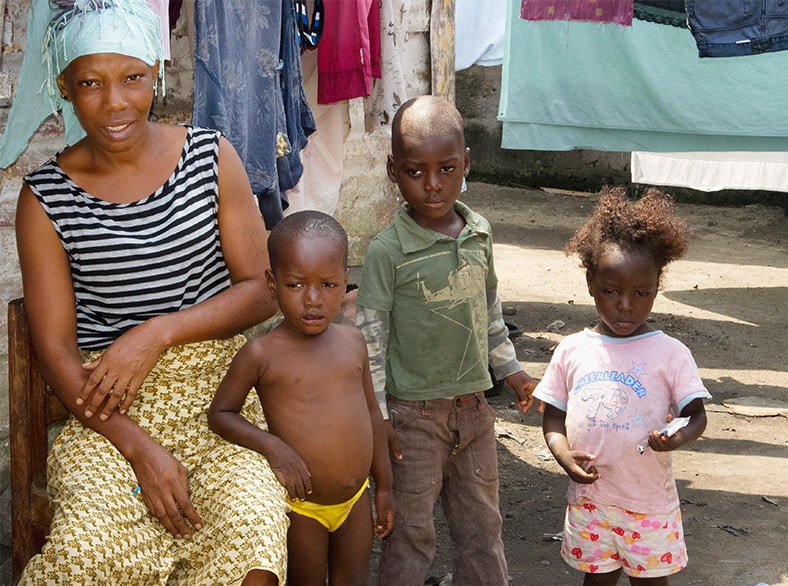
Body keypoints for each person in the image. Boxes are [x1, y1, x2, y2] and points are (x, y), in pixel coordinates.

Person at [8, 0, 288, 583]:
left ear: (155, 74)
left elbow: (262, 291)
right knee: (87, 556)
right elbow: (56, 353)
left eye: (132, 78)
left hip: (220, 406)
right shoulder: (44, 200)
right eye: (90, 83)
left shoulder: (211, 158)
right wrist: (139, 448)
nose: (115, 103)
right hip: (107, 417)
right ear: (64, 86)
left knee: (253, 532)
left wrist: (156, 333)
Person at [355, 94, 539, 586]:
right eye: (416, 171)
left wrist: (512, 370)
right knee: (411, 534)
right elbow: (370, 342)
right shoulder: (386, 252)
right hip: (412, 419)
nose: (432, 184)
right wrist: (377, 417)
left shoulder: (479, 233)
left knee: (482, 527)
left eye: (447, 168)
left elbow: (490, 313)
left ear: (467, 165)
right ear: (394, 171)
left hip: (475, 410)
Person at [533, 187, 711, 585]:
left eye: (641, 293)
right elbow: (553, 418)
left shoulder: (670, 353)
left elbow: (696, 416)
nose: (626, 305)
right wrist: (563, 455)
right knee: (596, 581)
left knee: (651, 582)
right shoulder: (572, 350)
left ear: (656, 285)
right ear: (591, 283)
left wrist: (677, 436)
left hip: (648, 504)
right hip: (591, 502)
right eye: (611, 291)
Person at [208, 210, 395, 586]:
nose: (313, 300)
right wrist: (273, 447)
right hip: (302, 506)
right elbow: (221, 414)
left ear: (345, 283)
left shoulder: (353, 342)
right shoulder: (261, 354)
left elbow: (372, 416)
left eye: (327, 285)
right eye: (295, 285)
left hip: (356, 498)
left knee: (354, 580)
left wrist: (385, 486)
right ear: (272, 284)